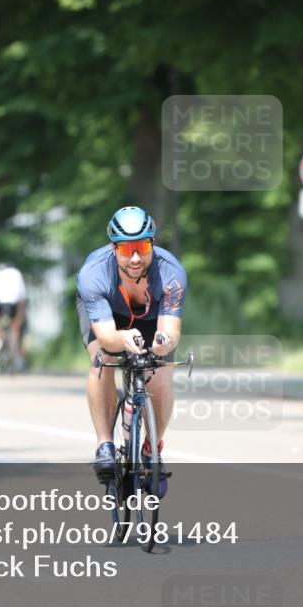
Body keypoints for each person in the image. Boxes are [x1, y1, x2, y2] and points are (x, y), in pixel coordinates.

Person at [76, 206, 187, 496]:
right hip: (108, 320)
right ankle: (104, 445)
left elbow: (171, 331)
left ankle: (152, 452)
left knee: (161, 373)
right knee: (102, 360)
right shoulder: (94, 273)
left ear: (152, 243)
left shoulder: (171, 272)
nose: (136, 257)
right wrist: (122, 339)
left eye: (142, 247)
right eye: (127, 250)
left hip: (151, 321)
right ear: (114, 249)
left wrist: (162, 343)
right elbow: (108, 337)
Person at [0, 263, 27, 368]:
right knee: (15, 326)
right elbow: (22, 299)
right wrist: (19, 319)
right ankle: (16, 352)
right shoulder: (16, 274)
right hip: (12, 304)